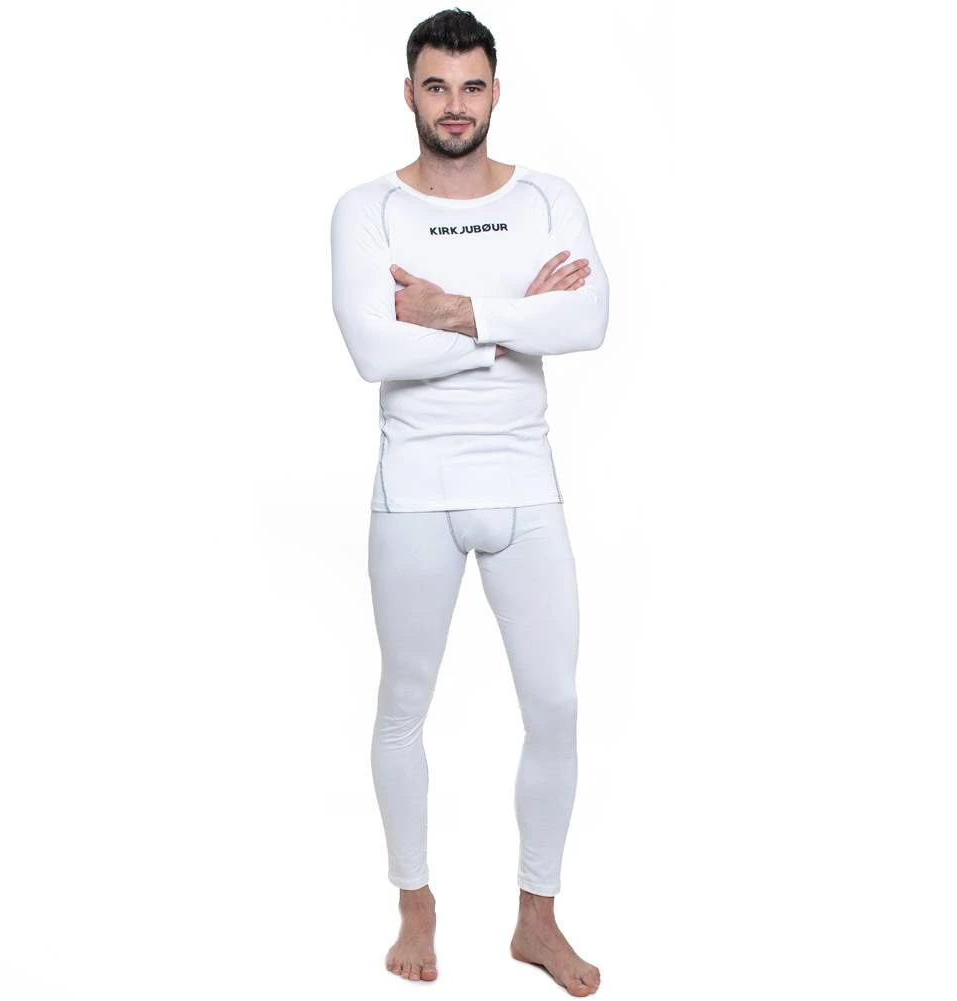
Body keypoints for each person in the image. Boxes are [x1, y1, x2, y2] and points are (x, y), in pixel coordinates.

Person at [329, 8, 608, 996]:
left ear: (495, 91)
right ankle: (415, 898)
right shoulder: (367, 209)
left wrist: (450, 310)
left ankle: (536, 915)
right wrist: (514, 321)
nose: (455, 104)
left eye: (471, 85)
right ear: (409, 92)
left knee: (555, 704)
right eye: (437, 85)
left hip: (523, 481)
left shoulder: (546, 198)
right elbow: (373, 349)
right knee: (404, 704)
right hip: (416, 488)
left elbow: (589, 318)